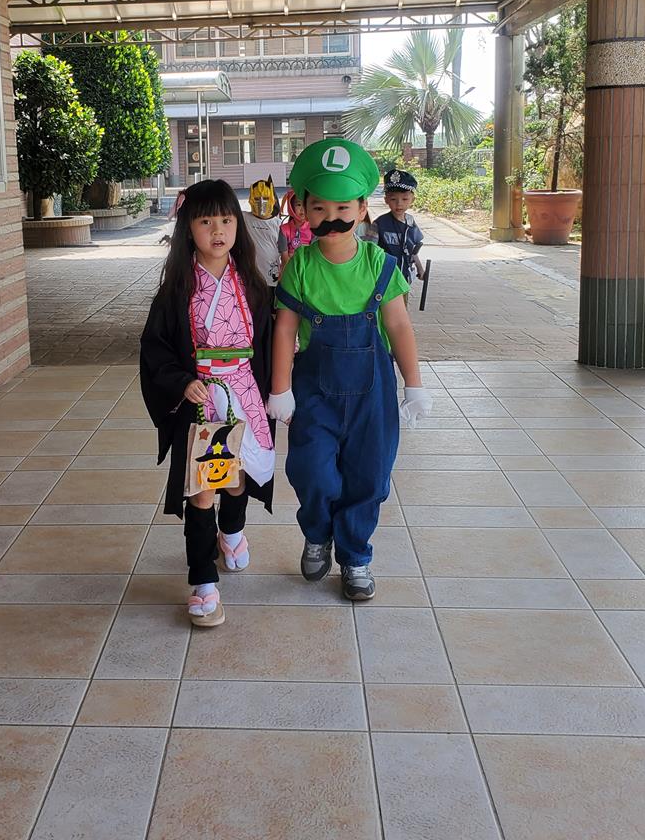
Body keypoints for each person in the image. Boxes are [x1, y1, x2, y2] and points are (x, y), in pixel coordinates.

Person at [266, 139, 433, 601]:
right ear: (303, 211)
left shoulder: (380, 265)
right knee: (312, 470)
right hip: (314, 394)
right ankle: (318, 533)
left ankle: (356, 555)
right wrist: (280, 389)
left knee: (369, 476)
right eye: (320, 207)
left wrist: (414, 385)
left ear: (362, 210)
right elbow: (285, 328)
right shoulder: (299, 267)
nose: (332, 217)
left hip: (372, 396)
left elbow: (398, 325)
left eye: (343, 207)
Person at [140, 179, 275, 627]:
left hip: (244, 392)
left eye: (226, 220)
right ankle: (202, 580)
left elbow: (269, 341)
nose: (218, 230)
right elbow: (156, 348)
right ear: (188, 229)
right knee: (203, 489)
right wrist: (181, 382)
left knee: (236, 480)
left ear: (238, 225)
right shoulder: (176, 291)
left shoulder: (252, 285)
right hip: (203, 397)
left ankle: (231, 532)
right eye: (205, 221)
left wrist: (280, 387)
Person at [373, 169, 425, 304]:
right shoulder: (379, 224)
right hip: (384, 279)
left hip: (403, 279)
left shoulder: (411, 222)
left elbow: (413, 250)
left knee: (402, 308)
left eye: (405, 199)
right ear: (386, 200)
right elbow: (370, 251)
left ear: (412, 200)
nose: (399, 203)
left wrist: (420, 268)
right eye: (393, 199)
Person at [241, 176, 283, 303]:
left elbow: (284, 253)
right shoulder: (244, 218)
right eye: (257, 199)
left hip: (272, 279)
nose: (261, 203)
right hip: (251, 279)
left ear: (271, 199)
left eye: (265, 198)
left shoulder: (279, 225)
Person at [277, 187, 312, 276]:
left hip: (309, 270)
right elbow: (284, 258)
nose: (302, 209)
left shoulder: (313, 227)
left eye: (305, 204)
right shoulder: (284, 229)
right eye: (298, 205)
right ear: (291, 207)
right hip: (290, 272)